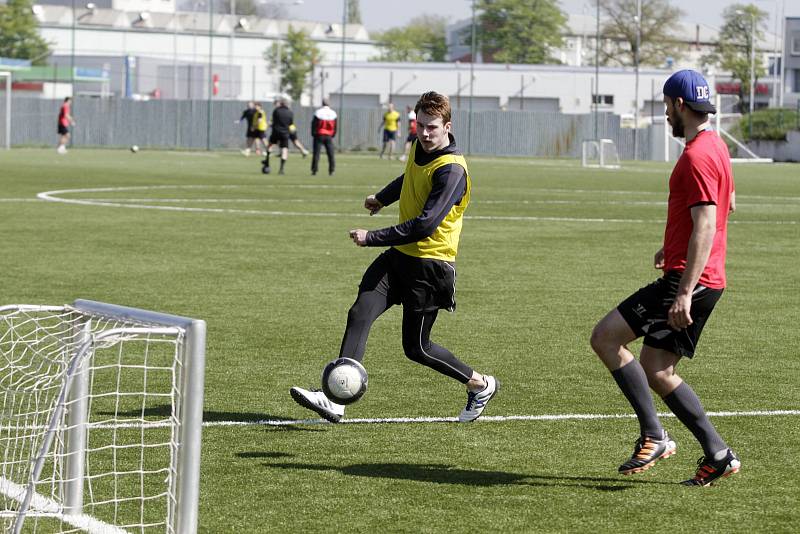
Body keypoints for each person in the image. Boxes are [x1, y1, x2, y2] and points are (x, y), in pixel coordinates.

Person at [291, 91, 499, 423]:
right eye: (420, 126)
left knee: (417, 348)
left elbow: (424, 226)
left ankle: (480, 384)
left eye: (432, 127)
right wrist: (382, 198)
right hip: (399, 257)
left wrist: (371, 237)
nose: (425, 134)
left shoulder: (452, 171)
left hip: (430, 267)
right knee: (360, 311)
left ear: (448, 126)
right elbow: (410, 178)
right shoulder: (421, 147)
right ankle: (335, 400)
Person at [589, 69, 739, 487]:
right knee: (658, 369)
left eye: (666, 106)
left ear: (679, 105)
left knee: (605, 337)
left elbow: (708, 222)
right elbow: (728, 205)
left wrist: (685, 291)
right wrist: (672, 246)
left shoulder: (697, 156)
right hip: (700, 274)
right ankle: (718, 454)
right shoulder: (715, 147)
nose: (665, 114)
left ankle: (656, 436)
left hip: (690, 282)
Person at [263, 96, 294, 175]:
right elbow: (290, 123)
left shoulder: (276, 111)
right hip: (285, 133)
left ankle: (267, 162)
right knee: (284, 149)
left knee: (270, 145)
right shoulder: (290, 112)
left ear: (281, 103)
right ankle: (281, 169)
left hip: (276, 132)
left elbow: (273, 121)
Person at [310, 97, 337, 176]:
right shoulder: (333, 113)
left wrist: (313, 134)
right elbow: (335, 126)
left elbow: (314, 124)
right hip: (329, 136)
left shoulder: (318, 112)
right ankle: (331, 170)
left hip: (319, 135)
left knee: (316, 153)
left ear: (322, 103)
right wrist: (333, 135)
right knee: (331, 154)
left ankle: (314, 170)